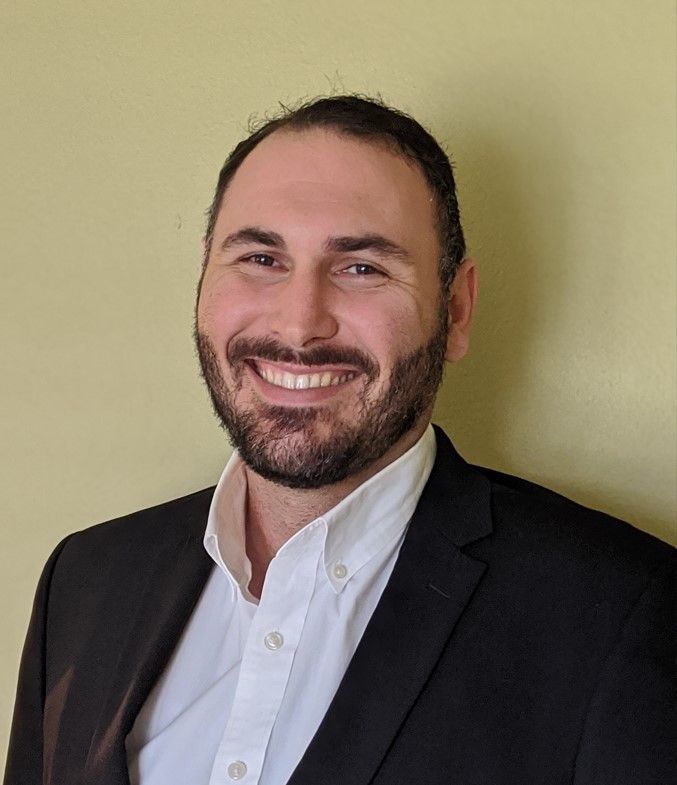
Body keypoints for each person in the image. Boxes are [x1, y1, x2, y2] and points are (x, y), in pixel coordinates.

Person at [4, 95, 674, 785]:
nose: (298, 326)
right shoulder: (82, 582)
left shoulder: (622, 616)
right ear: (203, 279)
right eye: (261, 257)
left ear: (456, 309)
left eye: (361, 268)